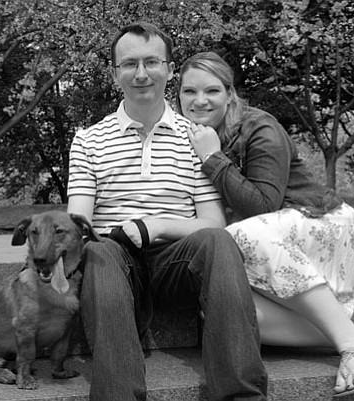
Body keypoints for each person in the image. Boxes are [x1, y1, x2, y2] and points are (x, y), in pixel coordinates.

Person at [176, 51, 354, 397]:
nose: (199, 101)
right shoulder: (190, 135)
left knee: (237, 234)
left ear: (230, 93)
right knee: (224, 307)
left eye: (211, 91)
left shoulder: (259, 127)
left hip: (319, 225)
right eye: (188, 92)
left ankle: (352, 346)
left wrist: (213, 158)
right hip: (266, 246)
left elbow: (262, 205)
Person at [67, 24, 268, 401]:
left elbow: (212, 222)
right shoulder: (88, 140)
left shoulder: (196, 136)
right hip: (113, 260)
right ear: (115, 74)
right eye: (129, 64)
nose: (141, 74)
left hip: (175, 262)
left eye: (151, 62)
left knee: (217, 241)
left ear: (170, 69)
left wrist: (156, 226)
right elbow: (80, 225)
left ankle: (242, 396)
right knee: (96, 249)